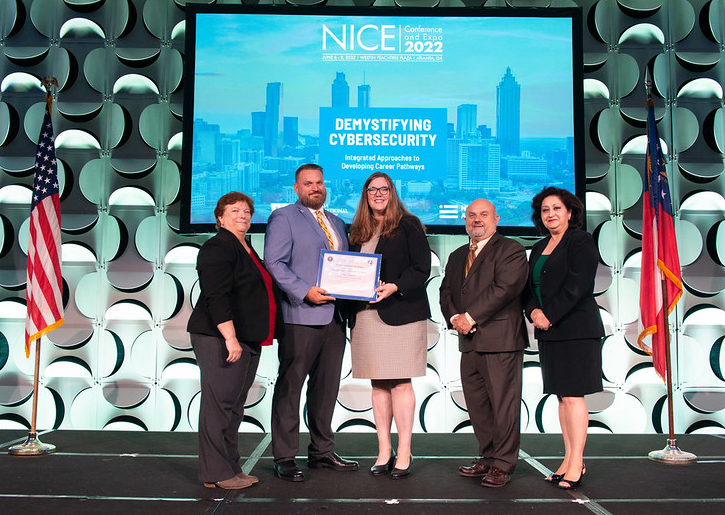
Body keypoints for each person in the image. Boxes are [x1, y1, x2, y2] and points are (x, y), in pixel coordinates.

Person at [264, 164, 358, 482]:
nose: (315, 188)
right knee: (291, 387)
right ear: (296, 188)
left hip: (335, 317)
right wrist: (305, 292)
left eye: (319, 182)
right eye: (308, 183)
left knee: (326, 388)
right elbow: (274, 262)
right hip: (301, 315)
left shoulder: (337, 222)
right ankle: (285, 457)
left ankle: (321, 452)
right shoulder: (284, 217)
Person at [187, 192, 282, 490]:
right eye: (234, 210)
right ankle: (215, 473)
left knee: (233, 406)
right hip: (220, 337)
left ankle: (231, 468)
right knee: (219, 405)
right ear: (220, 217)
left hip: (246, 338)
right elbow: (216, 296)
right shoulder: (217, 247)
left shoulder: (245, 246)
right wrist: (230, 338)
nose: (242, 215)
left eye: (246, 210)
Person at [439, 199, 528, 488]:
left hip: (500, 340)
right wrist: (454, 316)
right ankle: (488, 457)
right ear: (465, 220)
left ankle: (503, 464)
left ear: (496, 219)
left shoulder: (511, 249)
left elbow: (506, 289)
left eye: (484, 215)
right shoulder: (456, 254)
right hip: (468, 341)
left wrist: (470, 316)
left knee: (504, 405)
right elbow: (446, 291)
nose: (477, 220)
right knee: (478, 406)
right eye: (471, 215)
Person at [347, 172, 431, 479]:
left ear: (392, 192)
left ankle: (405, 451)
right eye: (372, 190)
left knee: (400, 382)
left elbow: (421, 268)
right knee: (377, 383)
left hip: (401, 312)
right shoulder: (356, 230)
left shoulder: (408, 225)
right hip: (366, 315)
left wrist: (394, 286)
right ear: (365, 194)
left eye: (384, 189)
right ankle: (384, 451)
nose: (378, 194)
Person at [524, 187, 604, 490]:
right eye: (545, 210)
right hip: (549, 331)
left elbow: (578, 284)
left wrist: (549, 315)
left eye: (556, 208)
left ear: (570, 212)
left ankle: (577, 463)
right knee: (560, 395)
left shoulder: (580, 241)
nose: (551, 214)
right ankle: (569, 458)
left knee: (573, 396)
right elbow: (528, 288)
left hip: (576, 330)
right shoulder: (540, 245)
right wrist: (533, 312)